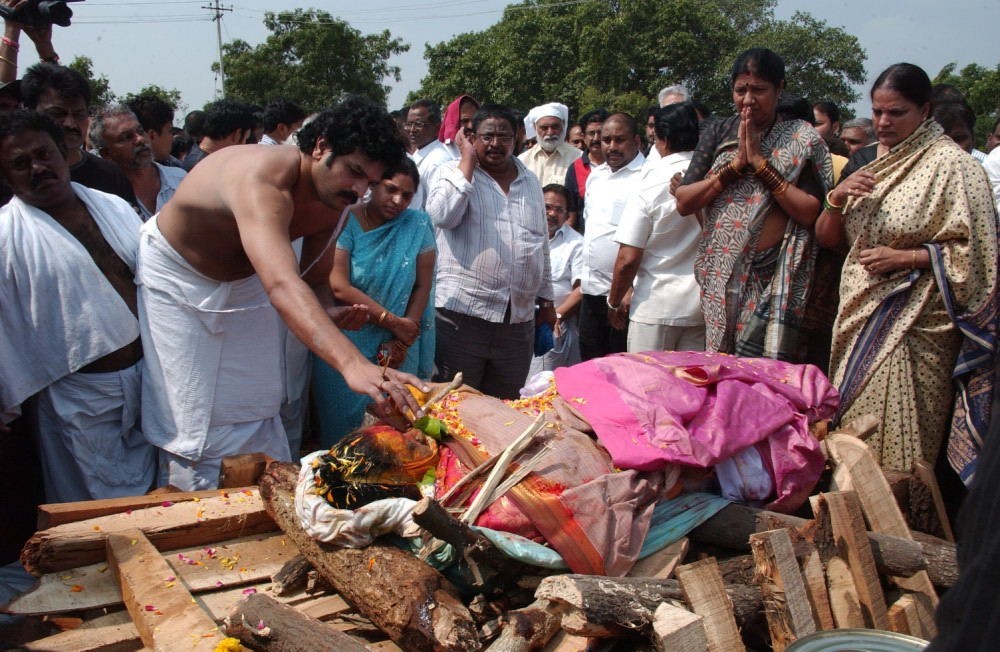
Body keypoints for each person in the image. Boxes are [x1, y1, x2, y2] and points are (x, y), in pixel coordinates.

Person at [137, 96, 426, 490]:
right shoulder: (263, 178)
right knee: (196, 421)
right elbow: (282, 284)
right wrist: (353, 365)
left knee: (259, 405)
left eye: (370, 183)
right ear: (321, 146)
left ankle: (264, 497)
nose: (359, 191)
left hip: (250, 284)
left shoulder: (336, 198)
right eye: (354, 172)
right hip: (181, 284)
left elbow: (314, 281)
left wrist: (327, 313)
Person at [815, 63, 998, 476]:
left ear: (925, 111)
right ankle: (851, 526)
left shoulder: (955, 167)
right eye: (877, 111)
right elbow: (830, 238)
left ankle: (905, 534)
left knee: (901, 450)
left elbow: (980, 256)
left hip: (916, 326)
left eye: (896, 113)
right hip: (859, 317)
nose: (882, 121)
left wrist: (908, 258)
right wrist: (836, 197)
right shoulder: (870, 164)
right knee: (852, 438)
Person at [0, 109, 155, 502]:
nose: (37, 167)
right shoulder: (6, 235)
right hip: (79, 397)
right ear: (6, 177)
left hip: (149, 381)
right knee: (88, 514)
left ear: (65, 153)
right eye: (21, 163)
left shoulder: (112, 206)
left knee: (156, 501)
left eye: (43, 154)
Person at [675, 48, 833, 361]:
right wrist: (731, 169)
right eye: (740, 90)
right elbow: (684, 200)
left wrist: (762, 166)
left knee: (765, 376)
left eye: (759, 90)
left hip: (774, 278)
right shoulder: (719, 131)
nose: (748, 100)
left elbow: (809, 212)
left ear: (780, 88)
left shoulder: (801, 138)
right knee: (722, 367)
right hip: (720, 274)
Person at [427, 104, 555, 399]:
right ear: (471, 136)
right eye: (487, 136)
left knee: (505, 408)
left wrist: (547, 301)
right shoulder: (451, 171)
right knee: (456, 406)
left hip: (517, 320)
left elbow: (540, 243)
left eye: (503, 136)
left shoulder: (530, 181)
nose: (495, 144)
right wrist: (467, 163)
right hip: (462, 316)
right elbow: (440, 216)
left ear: (517, 138)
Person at [311, 158, 435, 445]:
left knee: (392, 434)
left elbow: (422, 285)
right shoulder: (346, 220)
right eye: (390, 189)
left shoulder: (417, 224)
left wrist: (404, 337)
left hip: (398, 347)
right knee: (342, 436)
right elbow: (338, 285)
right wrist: (392, 322)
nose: (398, 201)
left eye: (407, 195)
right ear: (373, 184)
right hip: (347, 341)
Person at [607, 103, 704, 353]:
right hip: (702, 307)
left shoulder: (650, 180)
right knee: (693, 389)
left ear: (661, 139)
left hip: (656, 306)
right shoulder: (713, 176)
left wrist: (614, 301)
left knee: (648, 388)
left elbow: (628, 257)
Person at [20, 63, 137, 205]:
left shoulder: (110, 176)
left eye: (79, 115)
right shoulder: (16, 178)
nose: (70, 124)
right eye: (57, 114)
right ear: (29, 113)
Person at [578, 112, 645, 360]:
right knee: (590, 366)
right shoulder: (597, 175)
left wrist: (630, 288)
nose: (612, 147)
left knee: (622, 366)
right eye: (606, 140)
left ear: (637, 141)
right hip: (592, 291)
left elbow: (651, 240)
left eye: (620, 140)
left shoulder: (647, 176)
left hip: (626, 295)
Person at [90, 104, 186, 221]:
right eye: (126, 137)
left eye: (140, 131)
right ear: (106, 153)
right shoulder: (104, 200)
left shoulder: (181, 180)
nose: (140, 139)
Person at [527, 183, 584, 378]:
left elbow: (580, 290)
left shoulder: (576, 243)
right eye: (547, 207)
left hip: (555, 324)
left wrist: (556, 316)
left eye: (559, 210)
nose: (552, 213)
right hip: (520, 320)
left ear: (567, 215)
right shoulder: (523, 234)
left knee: (541, 385)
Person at [564, 108, 608, 231]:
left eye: (600, 133)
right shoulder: (575, 168)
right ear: (583, 136)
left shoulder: (621, 165)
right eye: (591, 133)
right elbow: (571, 214)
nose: (596, 138)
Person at [517, 102, 582, 186]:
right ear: (535, 127)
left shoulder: (578, 158)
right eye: (544, 128)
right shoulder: (522, 161)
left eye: (555, 127)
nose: (550, 132)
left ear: (563, 125)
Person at [181, 98, 255, 170]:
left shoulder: (195, 160)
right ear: (237, 134)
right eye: (246, 138)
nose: (245, 145)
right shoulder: (208, 168)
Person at [404, 98, 450, 210]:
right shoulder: (418, 154)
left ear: (437, 127)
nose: (412, 130)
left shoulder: (439, 161)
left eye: (418, 124)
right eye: (409, 124)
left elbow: (435, 209)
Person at [125, 93, 185, 168]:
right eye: (170, 132)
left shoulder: (177, 169)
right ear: (152, 135)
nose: (172, 139)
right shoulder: (115, 176)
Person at [438, 94, 479, 160]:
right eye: (465, 121)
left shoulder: (486, 150)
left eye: (475, 120)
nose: (471, 126)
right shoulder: (442, 154)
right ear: (453, 123)